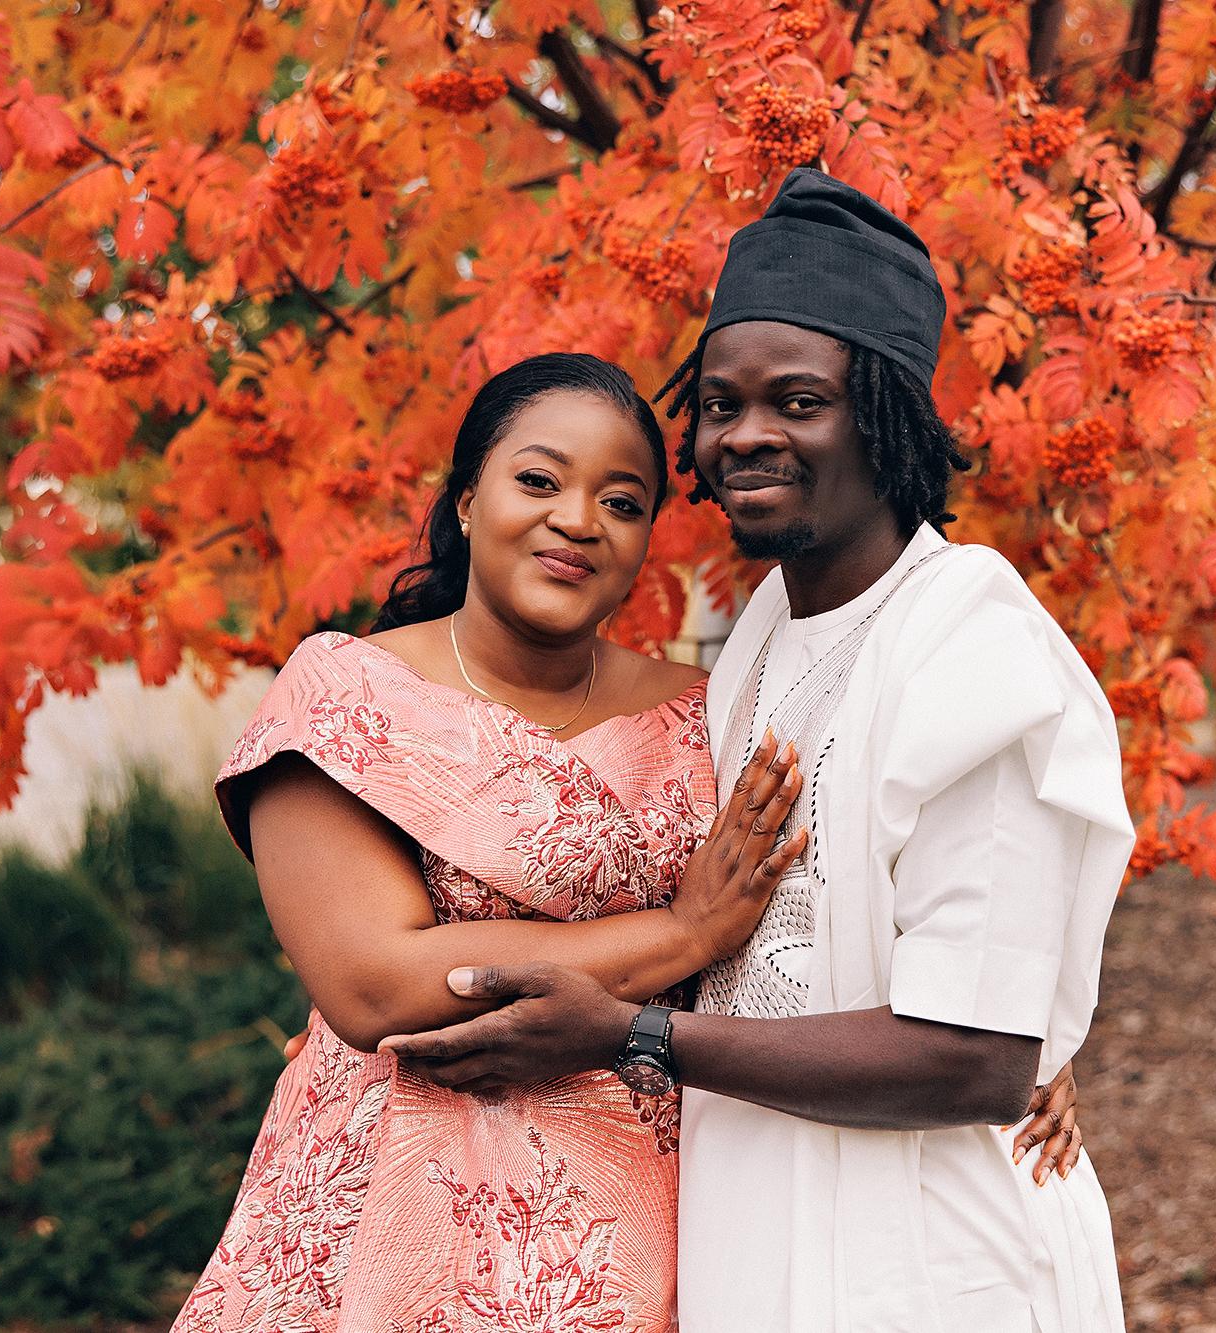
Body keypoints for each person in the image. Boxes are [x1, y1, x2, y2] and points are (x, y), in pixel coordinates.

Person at [382, 169, 1137, 1332]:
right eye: (721, 404)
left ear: (879, 413)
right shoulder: (756, 641)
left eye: (796, 400)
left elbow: (977, 1060)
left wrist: (633, 1035)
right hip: (755, 1243)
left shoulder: (973, 651)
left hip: (929, 1269)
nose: (744, 435)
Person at [171, 353, 812, 1332]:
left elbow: (822, 892)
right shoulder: (348, 698)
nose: (577, 520)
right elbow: (376, 984)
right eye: (538, 480)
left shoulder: (706, 717)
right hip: (402, 1224)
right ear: (467, 501)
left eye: (622, 501)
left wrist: (1008, 1033)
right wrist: (680, 938)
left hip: (669, 1228)